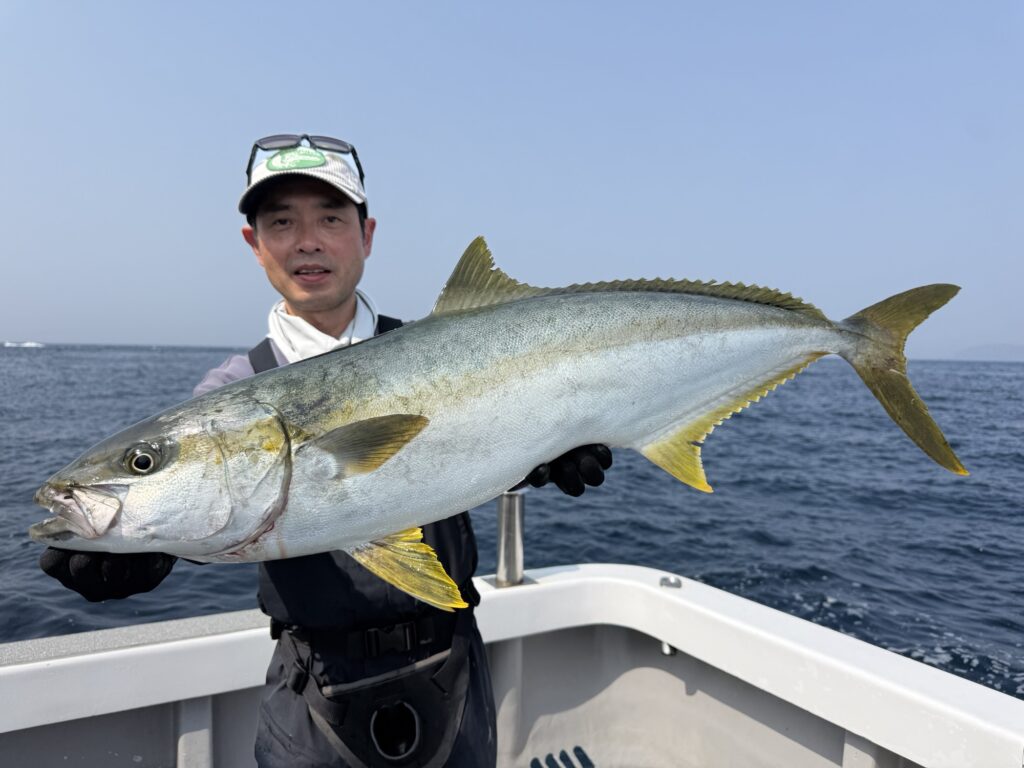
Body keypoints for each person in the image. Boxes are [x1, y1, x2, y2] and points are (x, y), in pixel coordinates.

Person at [39, 134, 613, 767]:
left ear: (367, 235)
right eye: (281, 222)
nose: (307, 241)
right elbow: (220, 502)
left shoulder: (454, 346)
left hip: (455, 667)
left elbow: (472, 451)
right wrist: (156, 549)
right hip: (313, 692)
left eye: (331, 219)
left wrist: (538, 456)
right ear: (254, 243)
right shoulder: (232, 391)